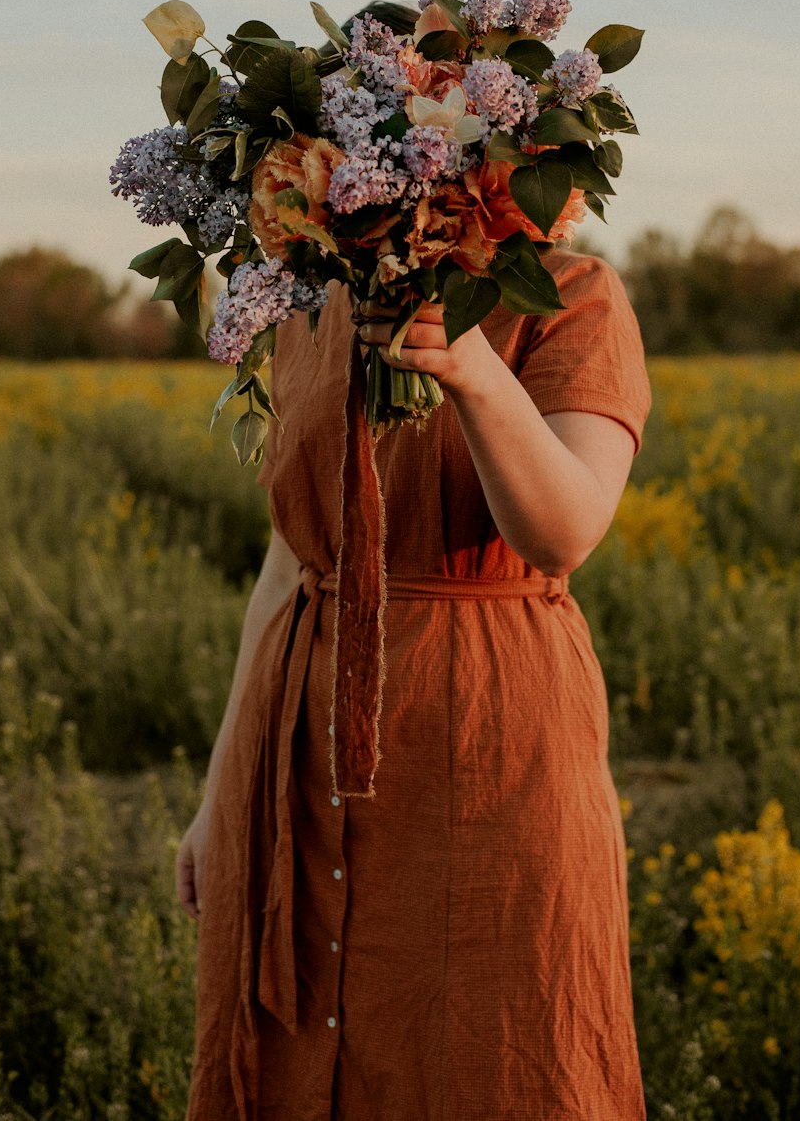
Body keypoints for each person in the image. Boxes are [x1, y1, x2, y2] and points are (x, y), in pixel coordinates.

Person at [175, 200, 652, 1118]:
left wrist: (469, 367)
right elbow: (291, 560)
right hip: (299, 752)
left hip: (484, 744)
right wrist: (217, 794)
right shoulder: (316, 309)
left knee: (493, 1041)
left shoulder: (574, 296)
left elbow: (563, 533)